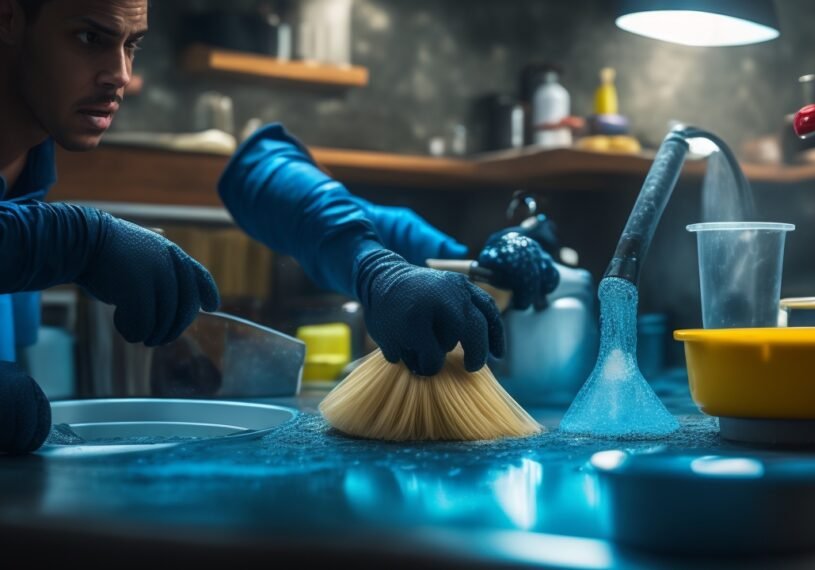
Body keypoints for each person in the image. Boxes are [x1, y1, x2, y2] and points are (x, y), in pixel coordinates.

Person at [0, 0, 220, 453]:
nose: (119, 74)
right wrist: (82, 241)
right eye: (90, 38)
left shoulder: (31, 167)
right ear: (9, 18)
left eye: (132, 45)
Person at [219, 124, 559, 378]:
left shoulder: (399, 230)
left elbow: (449, 261)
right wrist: (377, 269)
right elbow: (258, 165)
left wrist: (496, 263)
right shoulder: (340, 215)